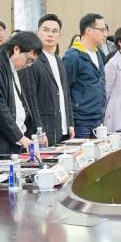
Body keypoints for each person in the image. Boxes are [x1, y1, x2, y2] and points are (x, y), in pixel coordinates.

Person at [0, 30, 43, 155]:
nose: (29, 65)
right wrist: (19, 136)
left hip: (13, 141)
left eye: (33, 62)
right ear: (16, 49)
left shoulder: (10, 66)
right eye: (29, 60)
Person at [27, 14, 74, 145]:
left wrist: (70, 123)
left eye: (54, 31)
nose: (50, 35)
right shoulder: (33, 61)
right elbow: (31, 100)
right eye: (46, 30)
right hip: (46, 131)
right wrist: (39, 130)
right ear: (37, 33)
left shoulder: (59, 60)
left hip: (63, 129)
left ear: (60, 35)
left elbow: (66, 94)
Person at [63, 13, 109, 138]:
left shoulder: (97, 53)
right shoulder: (73, 56)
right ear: (88, 30)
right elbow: (65, 89)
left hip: (98, 117)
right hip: (81, 121)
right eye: (102, 29)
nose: (105, 34)